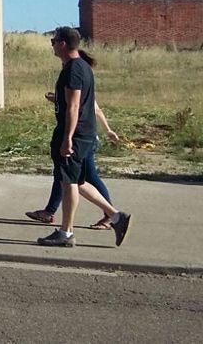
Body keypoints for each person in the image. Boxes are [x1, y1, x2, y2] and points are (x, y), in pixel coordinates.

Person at [37, 26, 132, 248]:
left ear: (62, 44)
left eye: (53, 41)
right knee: (78, 181)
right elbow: (75, 102)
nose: (52, 44)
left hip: (75, 134)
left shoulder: (74, 69)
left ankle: (66, 233)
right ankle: (117, 217)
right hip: (83, 132)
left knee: (68, 182)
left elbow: (74, 106)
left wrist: (67, 138)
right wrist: (58, 100)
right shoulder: (81, 66)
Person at [27, 56, 121, 230]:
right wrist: (58, 99)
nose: (63, 66)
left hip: (81, 140)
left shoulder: (78, 77)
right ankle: (54, 214)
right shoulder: (77, 77)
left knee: (84, 178)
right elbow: (73, 104)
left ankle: (111, 216)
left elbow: (92, 108)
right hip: (80, 138)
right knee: (68, 177)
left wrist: (107, 130)